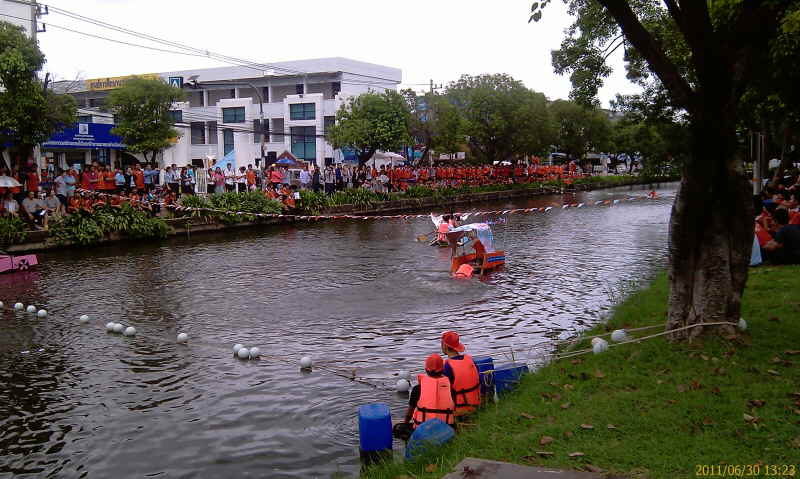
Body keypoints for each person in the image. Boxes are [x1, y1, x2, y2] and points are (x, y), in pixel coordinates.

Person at [404, 354, 455, 429]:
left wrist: (405, 423)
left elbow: (409, 414)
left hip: (422, 431)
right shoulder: (451, 390)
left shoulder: (417, 389)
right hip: (445, 431)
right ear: (442, 370)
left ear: (426, 369)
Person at [440, 331, 481, 416]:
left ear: (445, 346)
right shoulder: (470, 360)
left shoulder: (446, 366)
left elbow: (442, 393)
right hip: (476, 406)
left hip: (459, 411)